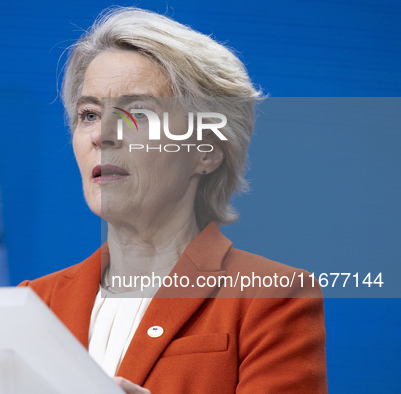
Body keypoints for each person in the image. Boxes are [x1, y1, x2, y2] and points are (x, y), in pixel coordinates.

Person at [20, 7, 327, 393]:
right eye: (89, 114)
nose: (103, 135)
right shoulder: (32, 304)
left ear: (206, 151)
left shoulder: (270, 296)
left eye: (139, 112)